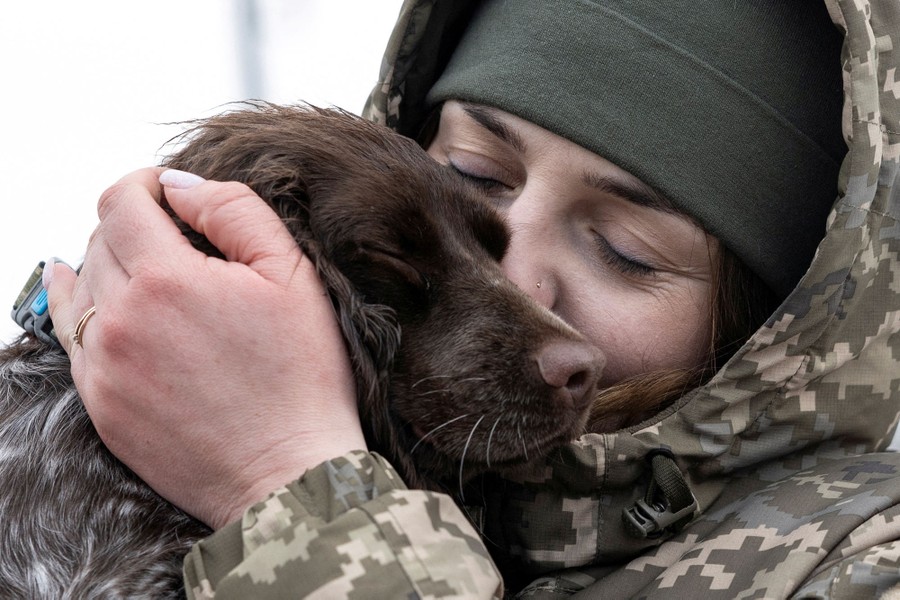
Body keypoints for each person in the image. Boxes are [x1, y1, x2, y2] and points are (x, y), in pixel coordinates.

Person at [42, 0, 900, 597]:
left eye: (623, 251)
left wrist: (293, 486)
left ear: (771, 331)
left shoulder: (859, 564)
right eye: (471, 177)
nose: (508, 279)